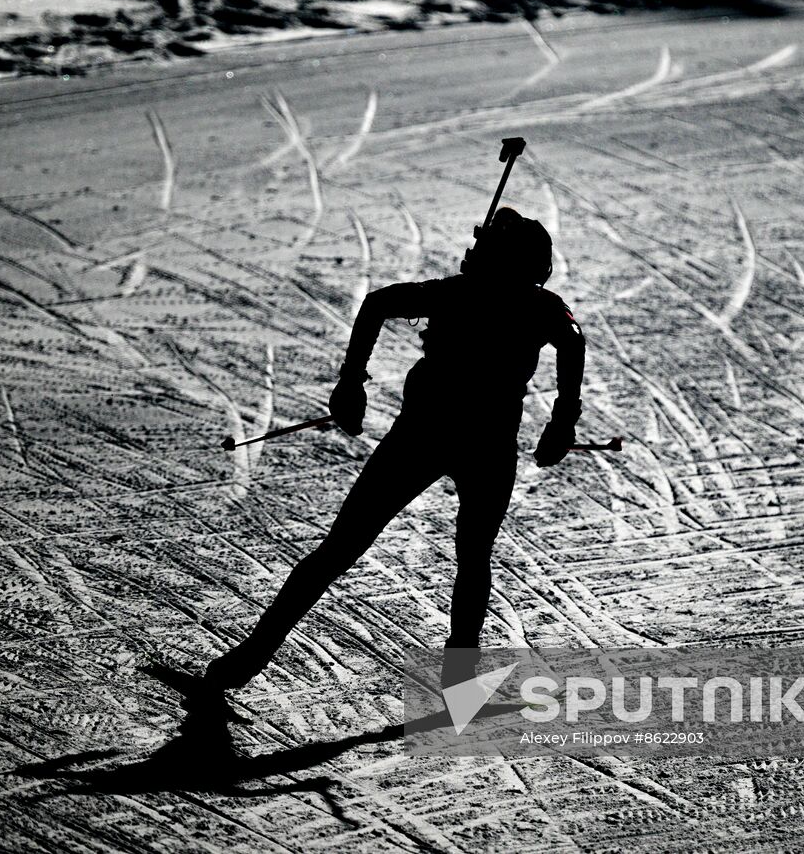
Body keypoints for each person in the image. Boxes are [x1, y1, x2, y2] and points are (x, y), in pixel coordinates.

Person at [204, 206, 585, 690]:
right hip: (487, 443)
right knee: (472, 557)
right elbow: (572, 341)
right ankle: (459, 687)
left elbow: (377, 302)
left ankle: (250, 657)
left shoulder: (454, 293)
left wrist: (351, 383)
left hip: (421, 436)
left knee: (341, 548)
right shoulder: (540, 308)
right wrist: (563, 421)